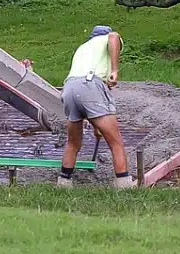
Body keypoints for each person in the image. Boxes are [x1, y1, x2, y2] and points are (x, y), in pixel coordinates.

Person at [57, 25, 133, 188]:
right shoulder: (107, 38)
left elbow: (84, 102)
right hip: (90, 83)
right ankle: (124, 184)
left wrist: (96, 126)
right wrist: (114, 70)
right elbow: (113, 37)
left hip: (69, 88)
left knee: (73, 143)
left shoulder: (83, 48)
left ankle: (63, 183)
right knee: (116, 141)